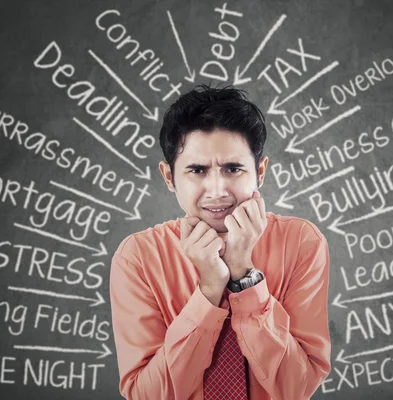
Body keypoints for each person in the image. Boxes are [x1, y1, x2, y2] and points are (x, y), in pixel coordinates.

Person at [110, 84, 331, 400]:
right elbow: (148, 395)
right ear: (169, 177)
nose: (217, 190)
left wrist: (244, 276)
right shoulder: (139, 258)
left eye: (233, 168)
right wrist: (210, 290)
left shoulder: (301, 243)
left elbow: (295, 387)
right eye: (197, 170)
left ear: (260, 171)